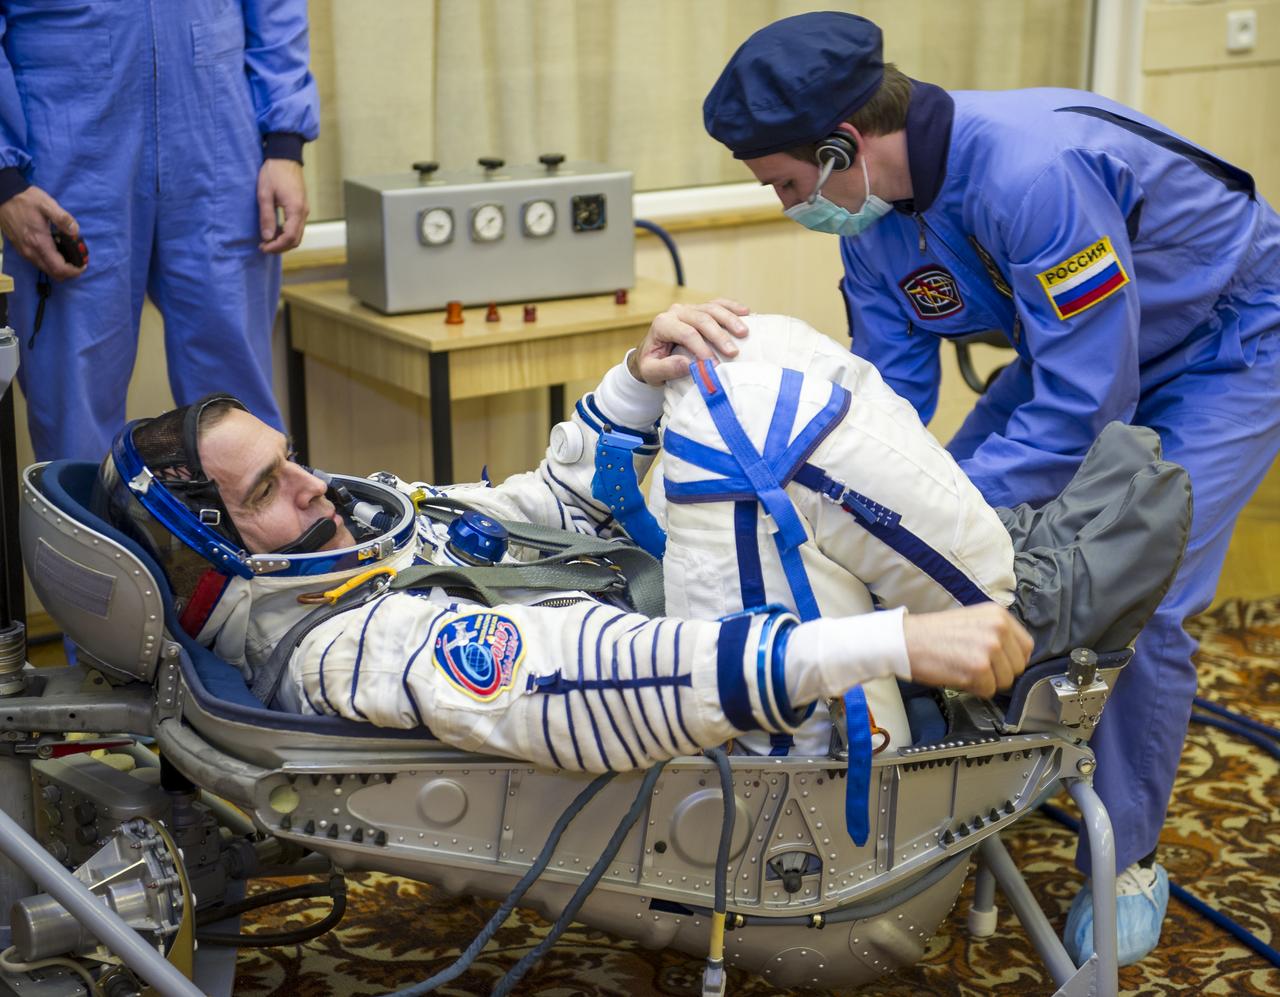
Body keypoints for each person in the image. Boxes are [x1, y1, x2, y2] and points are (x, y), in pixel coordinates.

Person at [699, 10, 1280, 965]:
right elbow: (886, 407)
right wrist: (829, 497)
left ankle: (1130, 857)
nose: (788, 206)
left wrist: (937, 514)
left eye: (789, 184)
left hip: (1228, 339)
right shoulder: (871, 225)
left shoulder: (1030, 171)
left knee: (1145, 589)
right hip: (1085, 351)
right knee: (934, 540)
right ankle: (988, 767)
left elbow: (1088, 407)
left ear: (843, 145)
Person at [94, 306, 1185, 786]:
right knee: (743, 419)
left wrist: (633, 379)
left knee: (730, 349)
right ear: (214, 551)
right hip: (745, 754)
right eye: (269, 490)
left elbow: (532, 514)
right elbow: (595, 681)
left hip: (715, 656)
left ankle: (996, 585)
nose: (315, 484)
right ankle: (1023, 614)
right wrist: (893, 643)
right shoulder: (350, 646)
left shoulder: (353, 536)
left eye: (291, 456)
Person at [0, 2, 319, 463]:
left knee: (237, 400)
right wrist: (6, 182)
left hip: (218, 143)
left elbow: (277, 10)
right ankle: (89, 514)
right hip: (64, 153)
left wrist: (285, 142)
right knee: (76, 410)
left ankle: (265, 508)